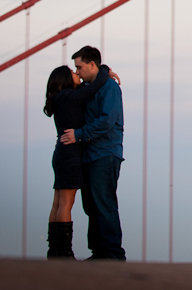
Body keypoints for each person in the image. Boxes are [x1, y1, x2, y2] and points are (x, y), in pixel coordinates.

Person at [60, 45, 126, 261]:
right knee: (90, 204)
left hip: (105, 154)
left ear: (91, 64)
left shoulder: (109, 88)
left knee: (104, 202)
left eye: (79, 66)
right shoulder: (89, 88)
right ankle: (99, 252)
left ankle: (112, 254)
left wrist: (79, 135)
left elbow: (106, 121)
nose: (77, 71)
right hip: (90, 154)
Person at [42, 62, 114, 258]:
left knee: (57, 202)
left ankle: (54, 251)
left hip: (61, 153)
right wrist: (104, 70)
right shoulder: (70, 97)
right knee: (66, 203)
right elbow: (93, 87)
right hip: (71, 154)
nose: (77, 74)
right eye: (73, 72)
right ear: (65, 79)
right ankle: (64, 252)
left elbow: (86, 87)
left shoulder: (60, 98)